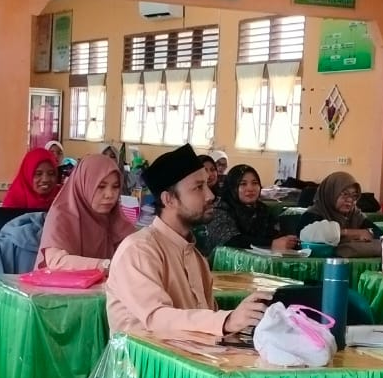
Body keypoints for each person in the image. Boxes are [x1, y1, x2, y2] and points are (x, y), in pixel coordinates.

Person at [105, 144, 268, 342]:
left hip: (191, 359)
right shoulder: (139, 250)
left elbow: (206, 325)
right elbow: (157, 319)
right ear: (169, 199)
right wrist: (226, 321)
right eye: (198, 187)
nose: (210, 195)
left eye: (207, 185)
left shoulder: (196, 258)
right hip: (143, 362)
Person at [36, 154, 134, 271]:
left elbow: (134, 248)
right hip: (62, 283)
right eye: (101, 186)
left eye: (115, 187)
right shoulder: (61, 215)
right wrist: (105, 265)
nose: (109, 194)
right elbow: (56, 261)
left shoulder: (115, 217)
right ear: (83, 185)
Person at [205, 164, 297, 252]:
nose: (250, 188)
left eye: (255, 183)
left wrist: (288, 241)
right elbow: (231, 241)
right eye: (243, 184)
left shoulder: (262, 210)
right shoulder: (220, 209)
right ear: (232, 187)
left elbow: (274, 234)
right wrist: (271, 244)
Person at [300, 172, 383, 243]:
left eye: (354, 195)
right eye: (345, 194)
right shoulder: (312, 215)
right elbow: (303, 237)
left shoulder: (355, 215)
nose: (350, 200)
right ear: (330, 193)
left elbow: (379, 234)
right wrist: (351, 233)